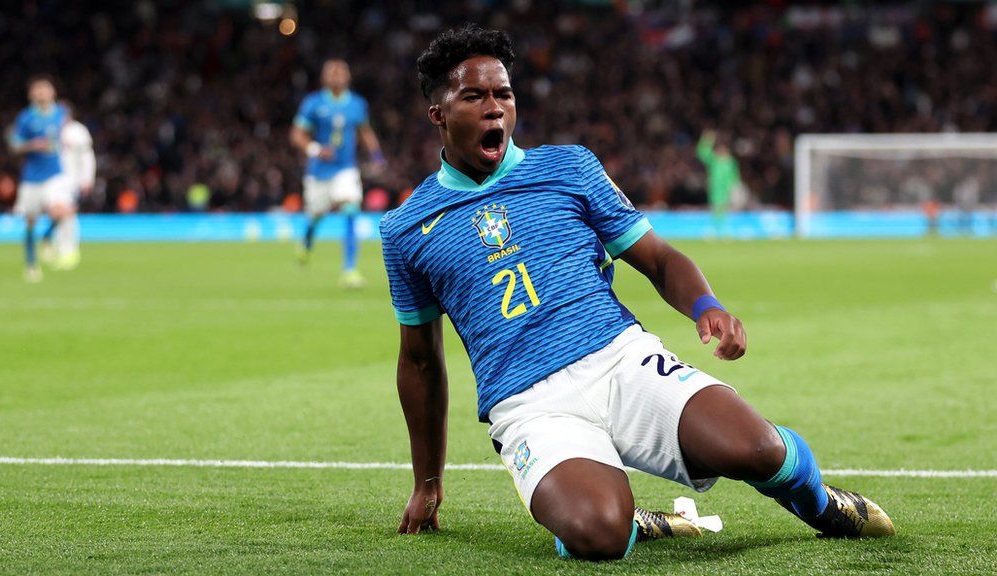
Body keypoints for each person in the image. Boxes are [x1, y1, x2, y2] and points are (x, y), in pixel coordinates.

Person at [381, 25, 894, 561]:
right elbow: (419, 363)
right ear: (437, 112)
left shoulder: (570, 167)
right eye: (474, 96)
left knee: (757, 449)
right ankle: (630, 521)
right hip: (529, 406)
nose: (495, 109)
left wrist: (707, 306)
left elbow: (659, 259)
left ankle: (820, 503)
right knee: (597, 534)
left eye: (503, 94)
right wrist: (428, 482)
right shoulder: (405, 229)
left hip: (620, 360)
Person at [290, 59, 386, 289]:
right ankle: (306, 242)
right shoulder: (313, 103)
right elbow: (296, 134)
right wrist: (314, 149)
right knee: (316, 214)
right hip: (318, 171)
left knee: (351, 209)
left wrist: (376, 155)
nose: (336, 75)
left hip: (346, 168)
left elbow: (364, 131)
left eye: (341, 71)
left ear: (348, 76)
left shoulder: (356, 104)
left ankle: (349, 270)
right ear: (324, 77)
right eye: (331, 71)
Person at [8, 76, 73, 282]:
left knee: (62, 211)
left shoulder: (62, 112)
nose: (41, 93)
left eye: (45, 89)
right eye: (37, 90)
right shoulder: (26, 118)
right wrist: (31, 145)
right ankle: (31, 264)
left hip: (55, 174)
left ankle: (47, 236)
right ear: (31, 94)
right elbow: (14, 145)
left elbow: (67, 130)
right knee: (30, 222)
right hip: (32, 177)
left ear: (53, 92)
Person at [41, 101, 95, 269]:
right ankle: (58, 246)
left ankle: (68, 251)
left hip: (70, 179)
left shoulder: (78, 131)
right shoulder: (50, 130)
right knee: (56, 213)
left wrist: (87, 178)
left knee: (65, 212)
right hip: (51, 178)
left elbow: (87, 157)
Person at [696, 130, 740, 238]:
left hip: (726, 189)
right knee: (716, 208)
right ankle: (714, 230)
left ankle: (721, 229)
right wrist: (707, 140)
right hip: (715, 189)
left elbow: (734, 176)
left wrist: (733, 187)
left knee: (723, 209)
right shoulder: (714, 160)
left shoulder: (730, 162)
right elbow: (701, 153)